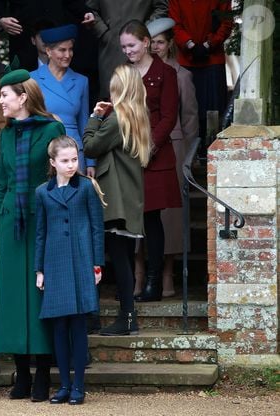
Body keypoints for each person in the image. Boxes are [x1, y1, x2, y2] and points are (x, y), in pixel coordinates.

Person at [0, 69, 65, 402]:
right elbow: (3, 185)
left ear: (23, 97)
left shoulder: (52, 129)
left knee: (39, 298)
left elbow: (60, 179)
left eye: (5, 95)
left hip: (41, 222)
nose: (0, 101)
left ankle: (44, 375)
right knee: (12, 300)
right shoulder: (5, 135)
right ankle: (21, 374)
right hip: (11, 225)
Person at [35, 136, 105, 405]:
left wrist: (97, 263)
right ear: (53, 163)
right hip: (54, 263)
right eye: (64, 161)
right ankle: (63, 384)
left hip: (81, 260)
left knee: (78, 326)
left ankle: (78, 385)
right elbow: (40, 233)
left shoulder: (87, 187)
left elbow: (97, 227)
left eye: (74, 159)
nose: (70, 165)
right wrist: (39, 269)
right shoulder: (42, 192)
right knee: (58, 327)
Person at [83, 64, 152, 335]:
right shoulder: (138, 116)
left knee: (119, 258)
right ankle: (126, 316)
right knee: (123, 256)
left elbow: (90, 146)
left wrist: (94, 117)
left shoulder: (117, 118)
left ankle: (126, 318)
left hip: (115, 199)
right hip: (129, 198)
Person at [119, 20, 180, 302]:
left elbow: (169, 116)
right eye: (123, 47)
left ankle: (154, 282)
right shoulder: (124, 74)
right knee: (125, 219)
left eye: (131, 45)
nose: (127, 50)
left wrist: (148, 147)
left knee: (151, 219)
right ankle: (128, 280)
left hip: (154, 155)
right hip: (126, 152)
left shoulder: (166, 73)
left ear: (146, 42)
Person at [148, 17, 200, 297]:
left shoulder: (181, 75)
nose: (155, 47)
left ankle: (167, 275)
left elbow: (190, 120)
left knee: (169, 218)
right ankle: (140, 273)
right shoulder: (138, 72)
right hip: (142, 145)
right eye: (151, 42)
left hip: (174, 147)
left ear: (169, 45)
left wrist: (189, 158)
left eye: (159, 42)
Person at [30, 24, 94, 173]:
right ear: (48, 51)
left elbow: (84, 124)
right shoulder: (32, 79)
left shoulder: (81, 81)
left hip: (73, 151)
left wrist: (90, 161)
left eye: (70, 49)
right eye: (62, 50)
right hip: (44, 148)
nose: (68, 54)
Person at [169, 0, 232, 143]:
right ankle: (189, 151)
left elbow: (226, 22)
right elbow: (174, 24)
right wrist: (190, 44)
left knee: (214, 111)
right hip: (186, 60)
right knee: (187, 111)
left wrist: (209, 44)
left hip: (212, 59)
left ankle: (213, 148)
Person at [85, 0, 168, 100]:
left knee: (144, 99)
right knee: (111, 98)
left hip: (140, 48)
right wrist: (103, 33)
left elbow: (161, 7)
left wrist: (144, 30)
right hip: (111, 48)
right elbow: (89, 9)